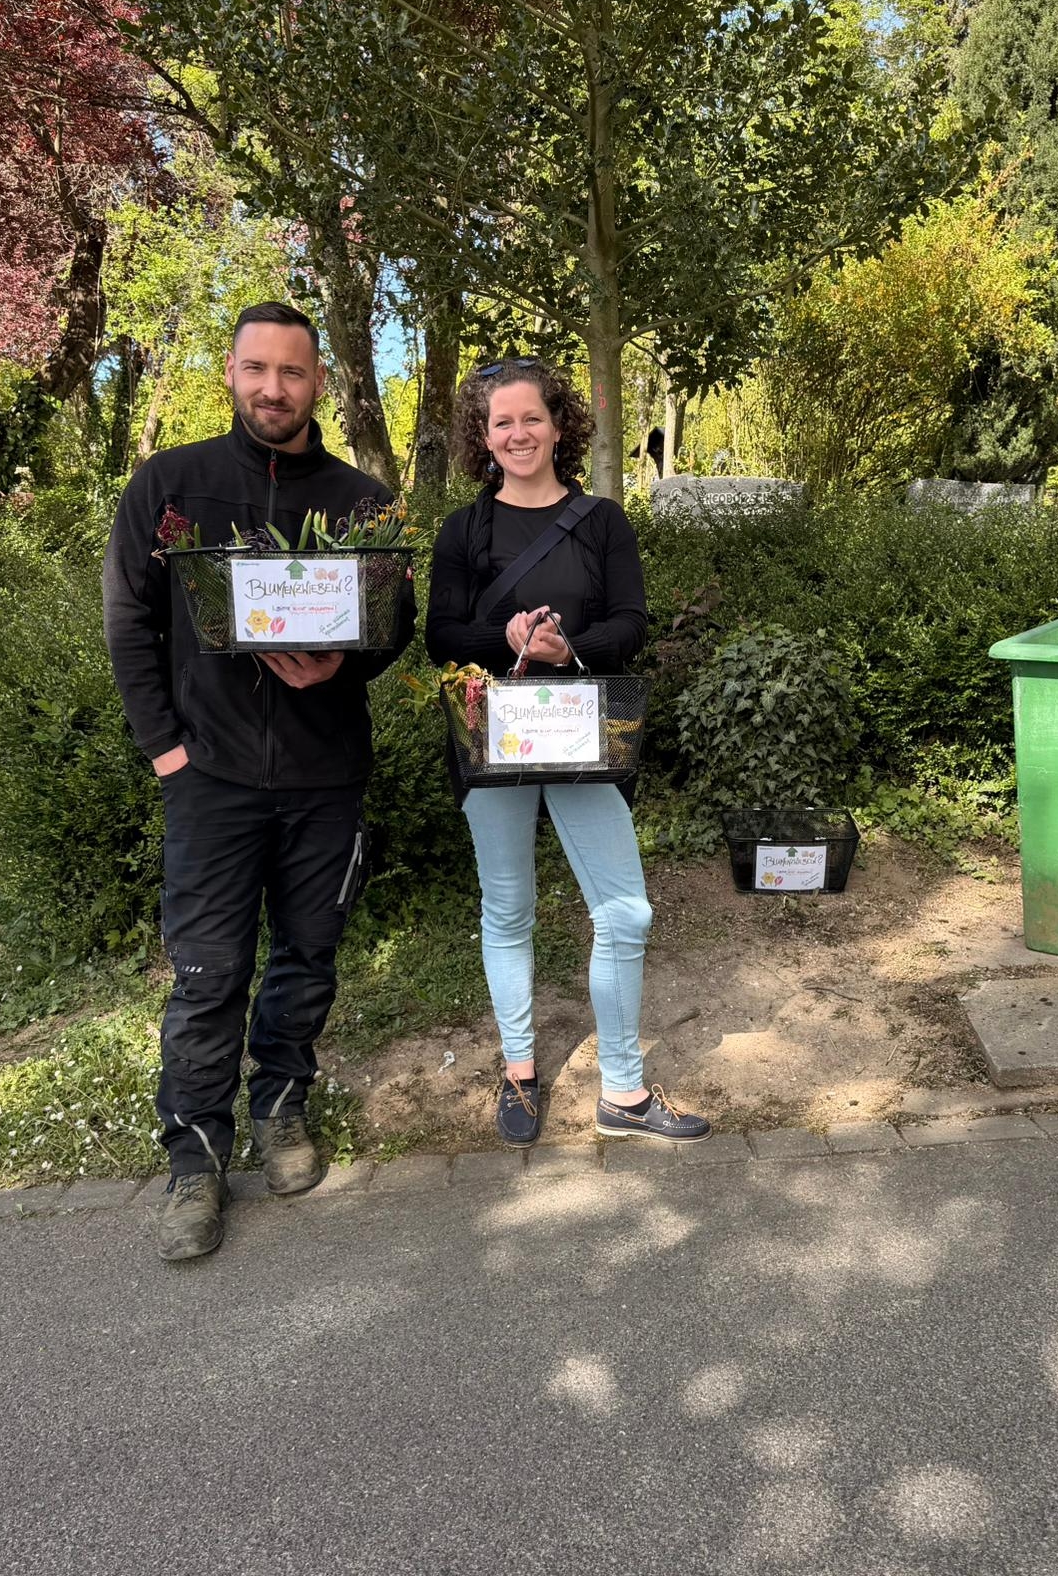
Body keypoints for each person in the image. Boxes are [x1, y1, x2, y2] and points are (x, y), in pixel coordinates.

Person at [103, 302, 415, 1261]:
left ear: (319, 381)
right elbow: (128, 620)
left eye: (291, 371)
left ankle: (282, 1105)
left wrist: (346, 661)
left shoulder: (364, 501)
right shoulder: (171, 484)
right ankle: (195, 1163)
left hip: (327, 778)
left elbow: (394, 622)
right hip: (212, 778)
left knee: (307, 957)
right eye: (256, 369)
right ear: (231, 373)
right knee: (207, 973)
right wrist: (167, 751)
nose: (273, 388)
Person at [426, 356, 710, 1147]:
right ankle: (519, 1071)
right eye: (501, 422)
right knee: (508, 909)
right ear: (483, 436)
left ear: (559, 427)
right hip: (493, 741)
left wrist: (568, 647)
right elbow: (441, 635)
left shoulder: (602, 521)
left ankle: (623, 1091)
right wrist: (508, 636)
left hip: (584, 737)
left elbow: (632, 623)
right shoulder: (464, 530)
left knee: (625, 912)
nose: (518, 433)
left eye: (532, 418)